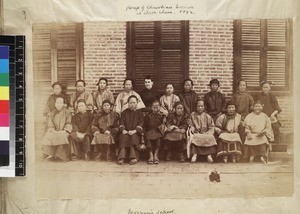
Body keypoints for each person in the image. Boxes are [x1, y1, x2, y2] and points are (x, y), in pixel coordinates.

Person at [41, 96, 72, 162]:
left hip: (64, 131)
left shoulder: (67, 112)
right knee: (48, 135)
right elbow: (50, 124)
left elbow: (69, 122)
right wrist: (52, 130)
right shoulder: (52, 113)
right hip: (55, 131)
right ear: (55, 104)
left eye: (60, 103)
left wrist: (65, 130)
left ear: (63, 104)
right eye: (57, 102)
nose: (59, 104)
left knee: (62, 137)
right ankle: (50, 154)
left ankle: (62, 156)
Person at [117, 95, 144, 165]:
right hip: (125, 131)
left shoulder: (140, 113)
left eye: (134, 103)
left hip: (135, 132)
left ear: (137, 103)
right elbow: (121, 123)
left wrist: (134, 131)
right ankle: (121, 157)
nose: (132, 104)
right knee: (123, 137)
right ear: (128, 103)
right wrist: (123, 130)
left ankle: (133, 157)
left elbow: (141, 124)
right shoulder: (124, 113)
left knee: (133, 137)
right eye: (130, 103)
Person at [144, 100, 166, 164]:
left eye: (157, 106)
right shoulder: (147, 115)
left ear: (160, 107)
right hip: (149, 131)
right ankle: (150, 155)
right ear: (151, 107)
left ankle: (156, 155)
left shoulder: (162, 115)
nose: (155, 108)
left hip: (158, 131)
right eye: (154, 106)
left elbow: (164, 125)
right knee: (147, 137)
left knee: (159, 138)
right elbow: (145, 125)